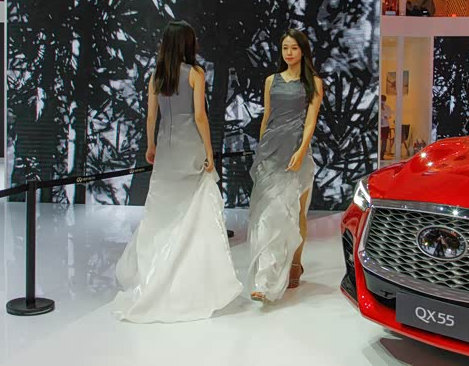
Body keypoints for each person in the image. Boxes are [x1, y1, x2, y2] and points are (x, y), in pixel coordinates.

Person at [111, 20, 241, 323]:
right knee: (195, 215)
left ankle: (155, 275)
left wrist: (151, 145)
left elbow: (151, 117)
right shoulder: (195, 73)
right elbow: (200, 116)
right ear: (187, 43)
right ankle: (190, 281)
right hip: (191, 149)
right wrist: (209, 152)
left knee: (162, 214)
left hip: (167, 151)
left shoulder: (156, 76)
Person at [247, 28, 324, 303]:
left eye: (293, 48)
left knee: (296, 213)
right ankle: (265, 280)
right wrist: (261, 150)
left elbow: (311, 121)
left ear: (302, 50)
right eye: (285, 48)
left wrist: (301, 151)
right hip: (271, 152)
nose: (289, 53)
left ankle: (295, 263)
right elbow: (267, 116)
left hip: (296, 153)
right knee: (269, 212)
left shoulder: (313, 82)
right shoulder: (271, 80)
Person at [380, 95, 393, 159]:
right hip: (378, 126)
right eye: (382, 100)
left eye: (384, 100)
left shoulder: (387, 107)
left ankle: (381, 155)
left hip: (385, 126)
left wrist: (383, 115)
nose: (383, 101)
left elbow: (388, 116)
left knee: (384, 141)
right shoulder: (376, 106)